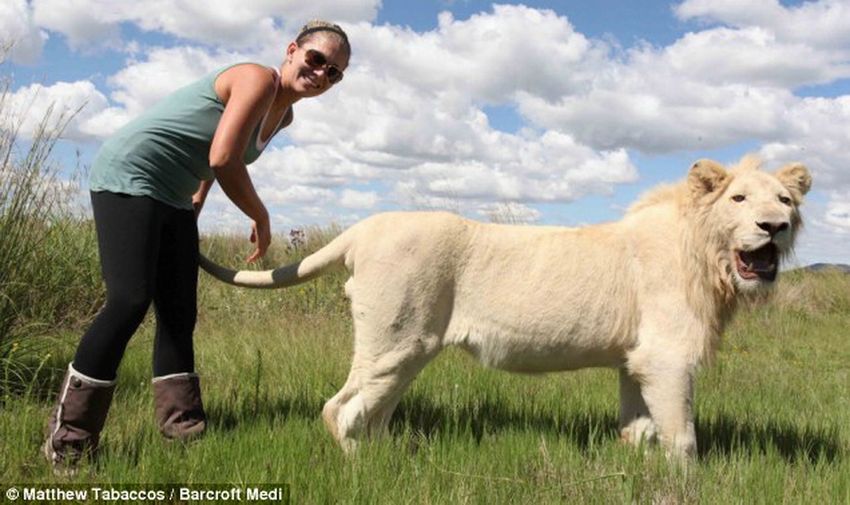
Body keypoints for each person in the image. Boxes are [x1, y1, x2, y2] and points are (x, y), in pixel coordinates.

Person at [42, 20, 351, 474]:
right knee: (129, 300)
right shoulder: (255, 78)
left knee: (179, 311)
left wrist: (196, 203)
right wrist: (260, 216)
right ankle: (69, 441)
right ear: (292, 51)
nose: (322, 74)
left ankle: (182, 429)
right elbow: (223, 156)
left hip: (173, 194)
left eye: (335, 72)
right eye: (316, 59)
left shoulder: (283, 115)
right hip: (132, 173)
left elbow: (215, 147)